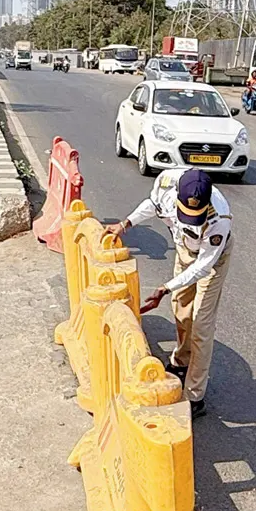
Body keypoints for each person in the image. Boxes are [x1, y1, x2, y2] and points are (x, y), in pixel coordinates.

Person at [106, 169, 233, 419]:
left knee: (201, 325)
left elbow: (203, 267)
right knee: (181, 310)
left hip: (211, 262)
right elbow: (152, 206)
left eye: (196, 216)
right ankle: (181, 361)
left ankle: (195, 395)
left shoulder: (220, 218)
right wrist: (125, 224)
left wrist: (166, 286)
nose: (190, 220)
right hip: (184, 249)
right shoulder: (165, 185)